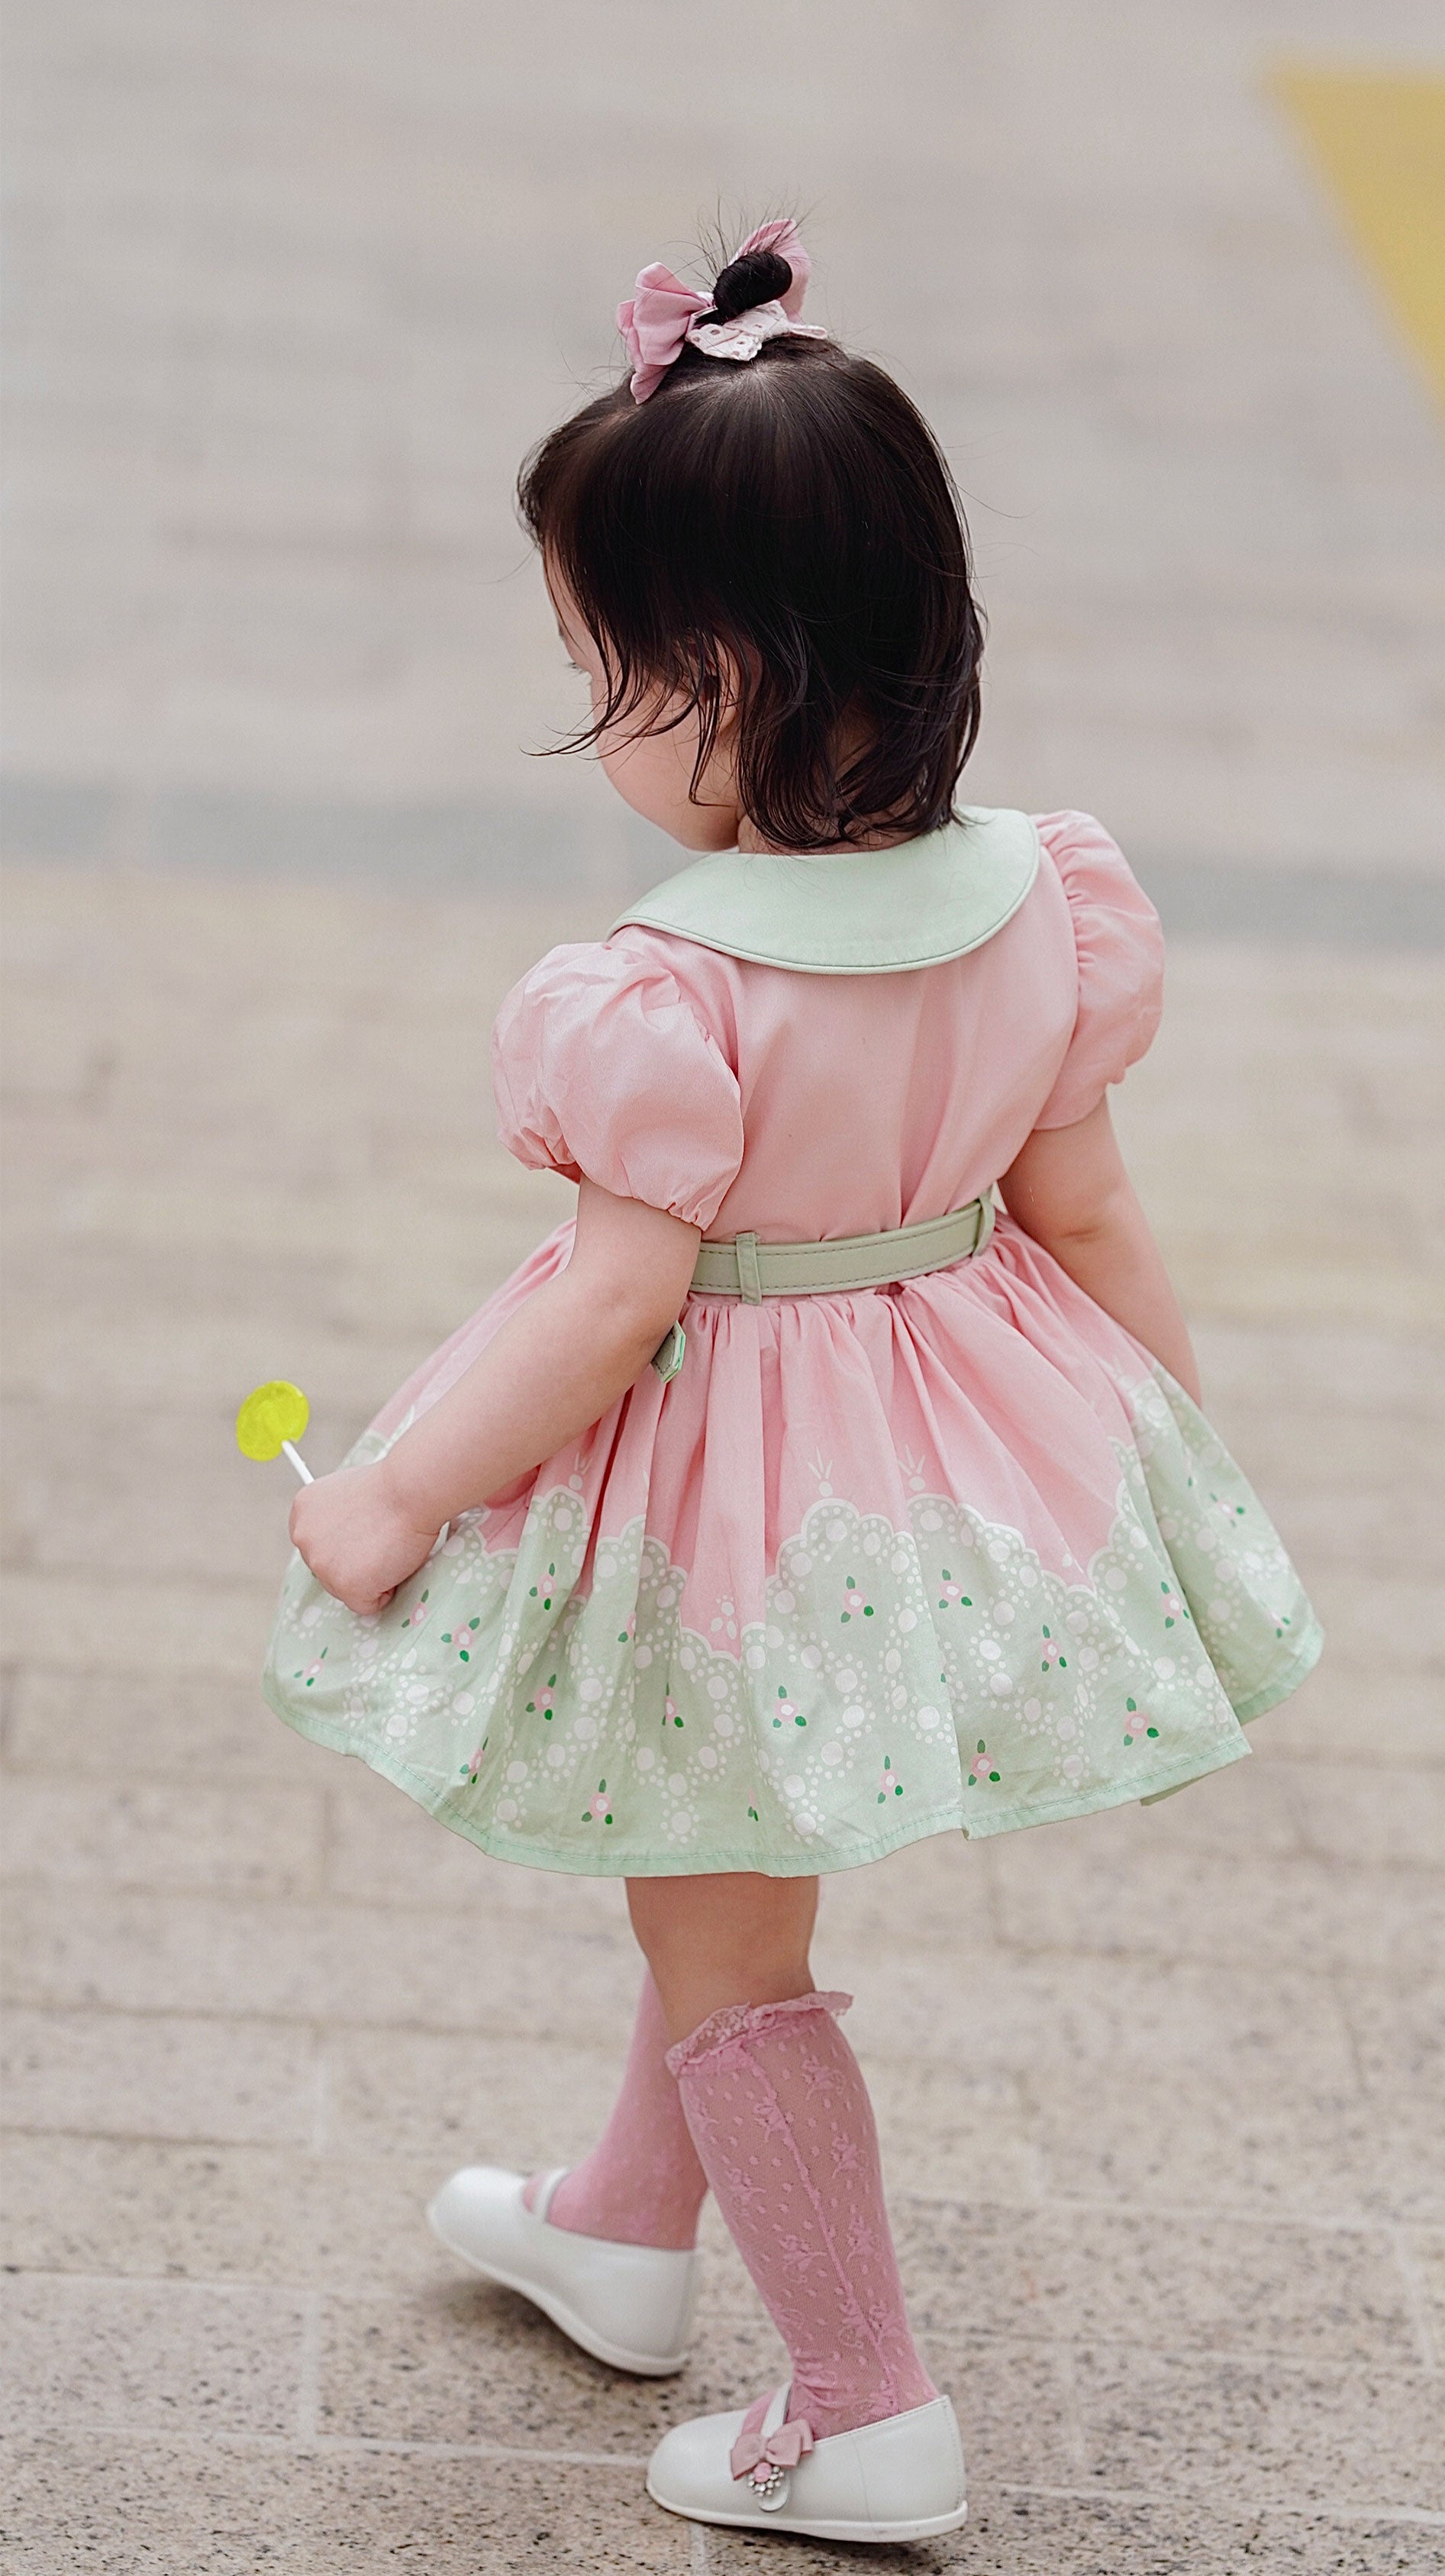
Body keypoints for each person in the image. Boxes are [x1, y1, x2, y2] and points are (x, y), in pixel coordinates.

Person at [264, 218, 1322, 2544]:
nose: (597, 715)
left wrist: (395, 1495)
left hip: (738, 1516)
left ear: (717, 670)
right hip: (937, 1487)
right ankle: (623, 2231)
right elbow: (1091, 1210)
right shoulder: (1043, 897)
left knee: (725, 1930)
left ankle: (861, 2400)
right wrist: (1160, 1461)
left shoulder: (664, 986)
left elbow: (611, 1304)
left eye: (599, 666)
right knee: (716, 1868)